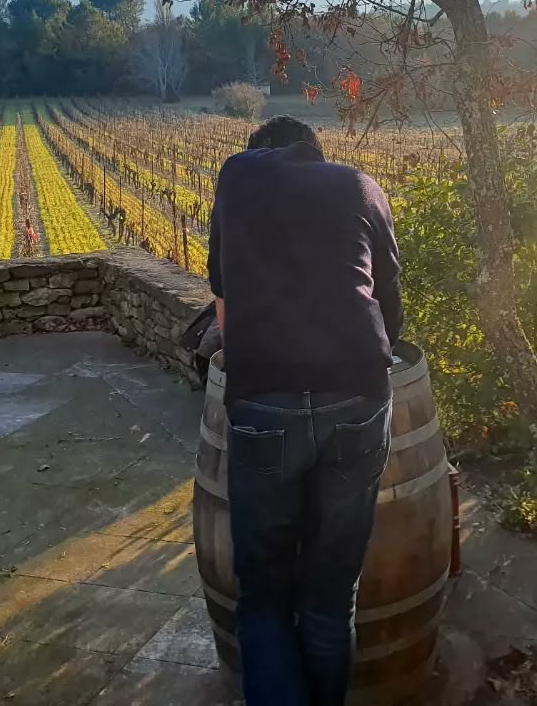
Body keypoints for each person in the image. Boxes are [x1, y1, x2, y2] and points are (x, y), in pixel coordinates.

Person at [207, 115, 402, 706]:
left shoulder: (238, 177)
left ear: (261, 152)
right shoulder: (362, 186)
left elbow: (224, 311)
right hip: (359, 397)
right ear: (315, 154)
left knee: (264, 598)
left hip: (266, 400)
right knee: (329, 596)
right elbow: (390, 311)